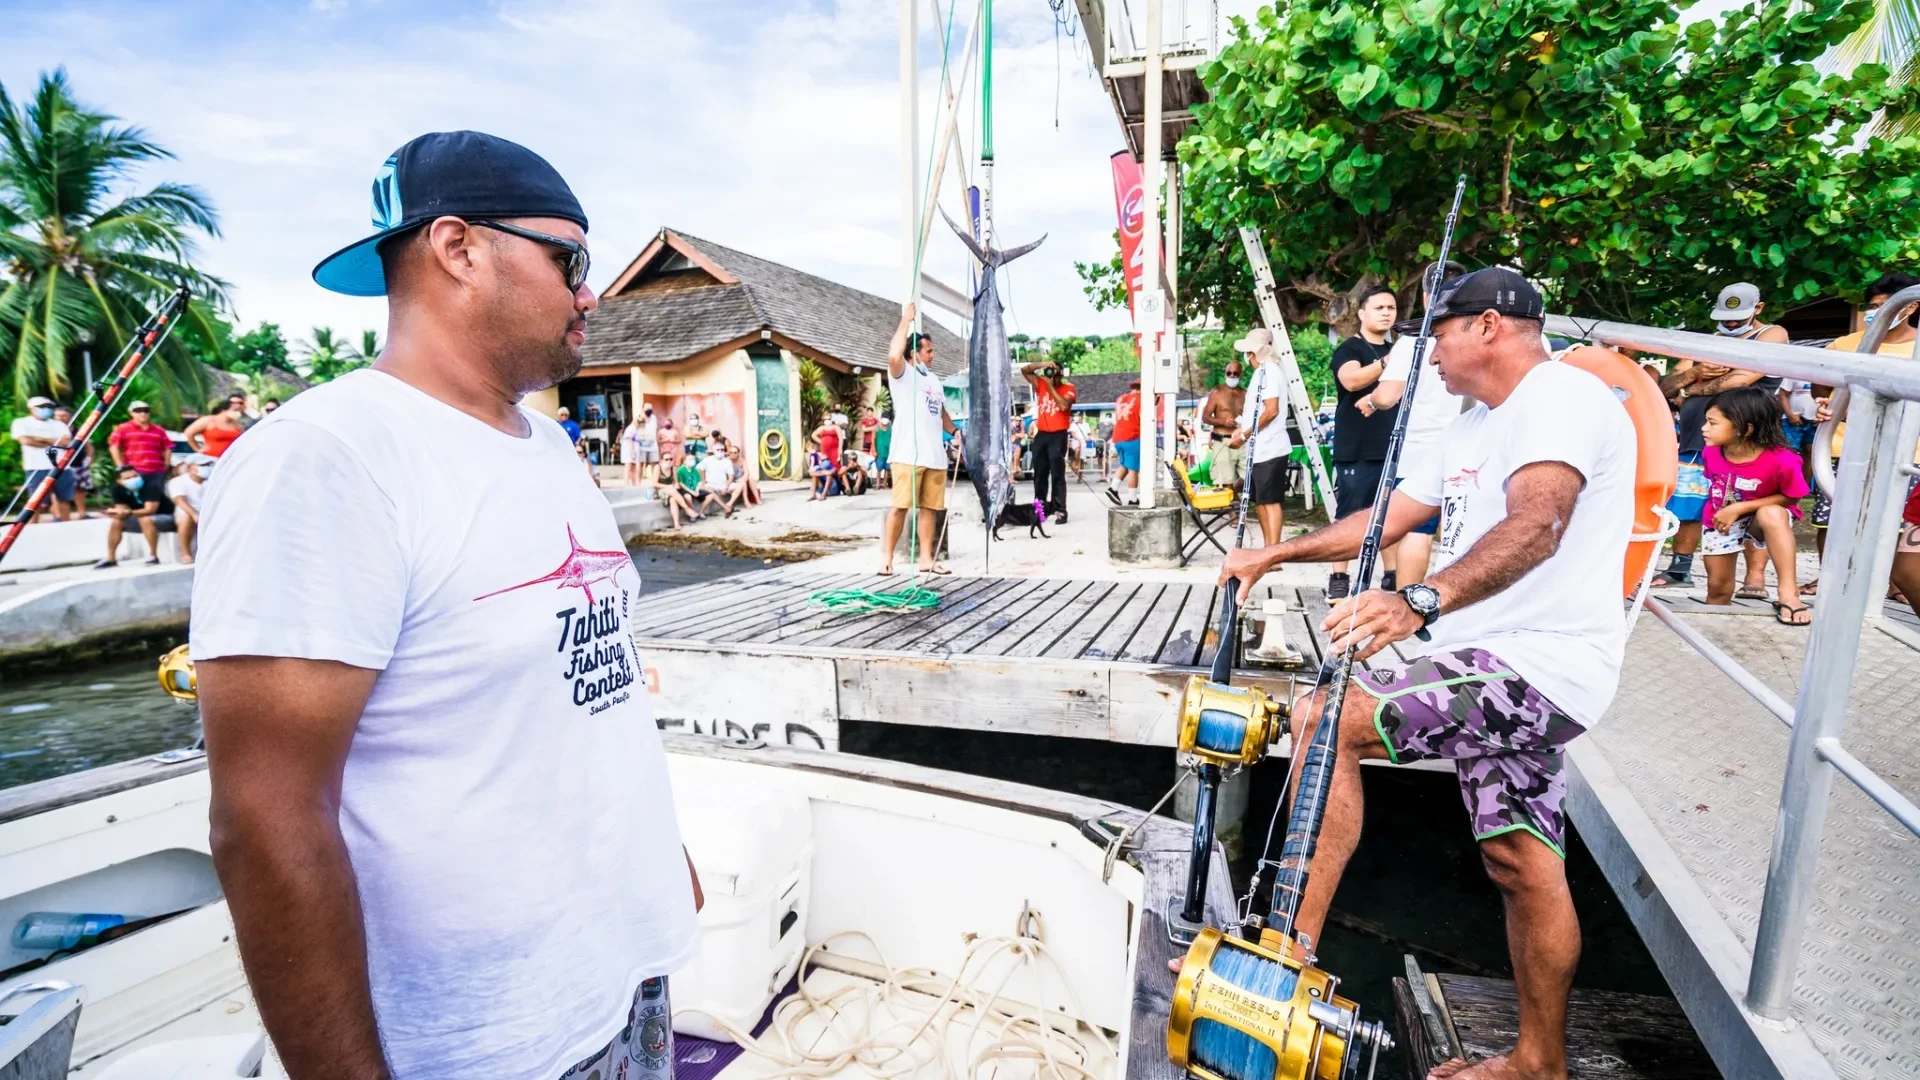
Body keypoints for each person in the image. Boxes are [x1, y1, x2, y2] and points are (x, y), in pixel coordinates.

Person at [189, 131, 700, 1080]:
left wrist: (656, 859)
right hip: (485, 1042)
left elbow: (582, 686)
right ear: (460, 249)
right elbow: (264, 815)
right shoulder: (325, 459)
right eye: (570, 261)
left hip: (624, 980)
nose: (589, 293)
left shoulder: (547, 449)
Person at [1218, 267, 1634, 1080]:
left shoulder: (1560, 398)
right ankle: (1538, 1063)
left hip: (1540, 666)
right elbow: (1384, 519)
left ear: (1488, 326)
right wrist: (1274, 552)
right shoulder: (1471, 423)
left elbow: (1539, 522)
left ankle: (1279, 972)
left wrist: (1419, 599)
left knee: (1321, 719)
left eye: (1436, 334)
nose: (1428, 353)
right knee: (1521, 860)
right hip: (1489, 661)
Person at [1652, 282, 1788, 588]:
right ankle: (1679, 569)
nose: (1730, 324)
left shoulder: (1771, 334)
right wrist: (1691, 374)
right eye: (1725, 318)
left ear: (1758, 309)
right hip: (1698, 438)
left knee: (1751, 505)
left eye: (1738, 318)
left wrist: (1690, 388)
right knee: (1691, 501)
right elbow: (1667, 386)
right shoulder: (1707, 340)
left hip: (1748, 441)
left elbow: (1739, 381)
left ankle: (1754, 579)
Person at [1808, 273, 1920, 587]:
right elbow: (1821, 386)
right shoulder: (1845, 345)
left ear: (1911, 306)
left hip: (1903, 454)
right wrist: (1822, 405)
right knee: (1831, 519)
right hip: (1844, 449)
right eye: (1872, 306)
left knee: (1893, 524)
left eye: (1885, 306)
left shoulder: (1917, 349)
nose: (1876, 312)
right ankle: (1828, 579)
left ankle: (1893, 585)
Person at [1371, 261, 1468, 586]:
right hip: (1463, 448)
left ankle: (1405, 599)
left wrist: (1369, 400)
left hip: (1416, 453)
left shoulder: (1412, 342)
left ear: (1426, 297)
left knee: (1414, 528)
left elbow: (1387, 396)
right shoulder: (1471, 339)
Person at [1696, 388, 1811, 623]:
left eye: (1712, 423)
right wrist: (1730, 510)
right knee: (1717, 588)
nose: (1703, 428)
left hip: (1762, 520)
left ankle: (1789, 593)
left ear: (1745, 429)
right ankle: (1715, 633)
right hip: (1723, 519)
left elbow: (1793, 497)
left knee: (1771, 513)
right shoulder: (1711, 452)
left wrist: (1739, 508)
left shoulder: (1783, 460)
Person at [882, 304, 959, 575]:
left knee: (930, 509)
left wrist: (956, 432)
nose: (933, 355)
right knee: (900, 507)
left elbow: (942, 413)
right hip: (907, 455)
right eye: (929, 351)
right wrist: (906, 320)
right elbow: (893, 355)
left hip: (934, 456)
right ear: (915, 353)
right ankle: (887, 559)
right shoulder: (903, 375)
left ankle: (926, 558)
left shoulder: (934, 381)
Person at [1228, 329, 1291, 545]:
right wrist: (1241, 428)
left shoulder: (1270, 371)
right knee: (1262, 501)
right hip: (1260, 449)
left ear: (1253, 352)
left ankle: (1273, 553)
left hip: (1271, 448)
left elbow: (1271, 411)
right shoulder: (1262, 372)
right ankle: (1268, 549)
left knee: (1271, 501)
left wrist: (1244, 436)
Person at [1021, 360, 1078, 521]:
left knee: (1057, 474)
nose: (1051, 374)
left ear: (1060, 373)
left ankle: (1060, 510)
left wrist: (1051, 386)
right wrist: (1043, 364)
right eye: (1050, 371)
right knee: (1039, 474)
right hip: (1042, 434)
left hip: (1058, 435)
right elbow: (1025, 370)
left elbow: (1063, 406)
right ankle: (1040, 510)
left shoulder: (1069, 388)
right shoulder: (1041, 383)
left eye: (1055, 371)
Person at [12, 395, 76, 521]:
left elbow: (66, 441)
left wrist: (39, 438)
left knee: (64, 498)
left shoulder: (59, 424)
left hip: (61, 466)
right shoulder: (21, 423)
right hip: (36, 466)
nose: (46, 409)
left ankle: (66, 524)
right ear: (31, 408)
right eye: (42, 407)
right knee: (35, 500)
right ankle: (32, 525)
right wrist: (53, 441)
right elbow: (26, 440)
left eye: (49, 407)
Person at [96, 464, 173, 567]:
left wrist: (129, 513)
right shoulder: (117, 489)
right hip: (139, 517)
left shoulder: (150, 486)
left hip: (164, 517)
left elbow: (150, 510)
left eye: (135, 476)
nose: (133, 479)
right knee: (117, 521)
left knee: (145, 518)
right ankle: (111, 558)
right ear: (120, 481)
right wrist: (116, 512)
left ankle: (153, 555)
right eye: (128, 478)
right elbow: (121, 509)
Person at [107, 400, 173, 500]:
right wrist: (121, 467)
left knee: (156, 499)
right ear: (131, 413)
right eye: (138, 410)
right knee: (136, 499)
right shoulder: (123, 428)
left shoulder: (159, 430)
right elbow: (114, 447)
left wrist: (166, 464)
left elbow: (167, 447)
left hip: (156, 471)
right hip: (134, 472)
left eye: (146, 410)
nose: (143, 413)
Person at [1201, 356, 1249, 493]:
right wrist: (1223, 421)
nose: (1232, 376)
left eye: (1236, 373)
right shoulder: (1217, 392)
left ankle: (1234, 494)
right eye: (1229, 373)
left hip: (1241, 440)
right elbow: (1205, 417)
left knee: (1251, 475)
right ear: (1225, 374)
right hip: (1222, 440)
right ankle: (1233, 513)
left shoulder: (1245, 393)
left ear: (1241, 374)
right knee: (1224, 481)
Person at [1105, 380, 1143, 506]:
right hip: (1132, 437)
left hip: (1118, 437)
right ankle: (1133, 499)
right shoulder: (1141, 400)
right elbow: (1143, 418)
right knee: (1133, 469)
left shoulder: (1120, 399)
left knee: (1125, 464)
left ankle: (1113, 488)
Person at [165, 456, 209, 563]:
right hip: (187, 511)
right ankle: (186, 553)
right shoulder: (177, 482)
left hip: (207, 511)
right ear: (190, 467)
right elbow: (180, 500)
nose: (207, 468)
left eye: (208, 465)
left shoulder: (212, 481)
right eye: (202, 465)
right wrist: (194, 514)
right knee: (185, 517)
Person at [52, 404, 94, 517]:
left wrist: (89, 459)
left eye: (63, 416)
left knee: (79, 489)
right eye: (57, 416)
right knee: (57, 491)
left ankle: (82, 513)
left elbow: (89, 446)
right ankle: (58, 515)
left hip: (78, 464)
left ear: (70, 416)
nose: (60, 418)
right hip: (60, 465)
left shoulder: (78, 430)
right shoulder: (51, 429)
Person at [657, 454, 700, 529]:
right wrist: (669, 486)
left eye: (671, 459)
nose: (669, 461)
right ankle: (687, 510)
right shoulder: (658, 468)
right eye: (666, 459)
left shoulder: (673, 468)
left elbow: (676, 482)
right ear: (662, 460)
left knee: (673, 500)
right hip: (661, 489)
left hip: (672, 490)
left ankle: (676, 524)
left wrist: (675, 485)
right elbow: (655, 483)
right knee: (672, 491)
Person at [680, 449, 725, 517]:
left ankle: (701, 512)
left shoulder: (695, 469)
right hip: (687, 490)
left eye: (693, 459)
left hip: (696, 489)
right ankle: (692, 512)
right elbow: (681, 483)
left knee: (711, 496)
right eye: (690, 459)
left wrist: (697, 491)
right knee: (688, 497)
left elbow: (699, 482)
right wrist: (692, 492)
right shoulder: (680, 470)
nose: (692, 461)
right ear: (684, 461)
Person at [622, 405, 658, 489]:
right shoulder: (632, 428)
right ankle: (626, 483)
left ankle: (634, 483)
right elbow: (630, 440)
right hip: (630, 449)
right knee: (628, 466)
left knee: (633, 466)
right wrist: (632, 452)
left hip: (636, 449)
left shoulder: (641, 427)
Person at [698, 443, 737, 516]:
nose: (720, 451)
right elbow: (700, 469)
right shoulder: (707, 460)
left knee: (736, 486)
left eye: (722, 449)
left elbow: (731, 476)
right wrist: (703, 481)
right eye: (718, 449)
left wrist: (726, 486)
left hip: (723, 484)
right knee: (709, 490)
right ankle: (725, 507)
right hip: (711, 484)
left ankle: (729, 504)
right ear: (713, 450)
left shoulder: (727, 461)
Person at [726, 443, 762, 507]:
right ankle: (746, 501)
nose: (733, 454)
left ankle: (757, 499)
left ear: (738, 453)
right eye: (731, 452)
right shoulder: (726, 461)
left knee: (750, 479)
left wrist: (745, 477)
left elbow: (747, 472)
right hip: (732, 481)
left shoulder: (742, 461)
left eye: (735, 452)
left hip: (741, 479)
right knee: (743, 482)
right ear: (728, 453)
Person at [873, 416, 892, 488]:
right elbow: (873, 439)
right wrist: (874, 450)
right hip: (879, 451)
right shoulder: (877, 428)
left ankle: (884, 483)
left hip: (888, 451)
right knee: (879, 468)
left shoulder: (891, 428)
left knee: (887, 469)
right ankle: (878, 484)